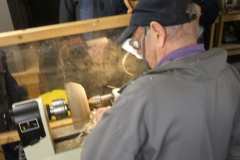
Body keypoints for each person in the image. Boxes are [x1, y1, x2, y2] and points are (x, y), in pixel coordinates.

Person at [80, 0, 240, 159]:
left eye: (137, 42)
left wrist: (111, 123)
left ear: (158, 33)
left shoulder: (139, 98)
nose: (140, 51)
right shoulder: (232, 77)